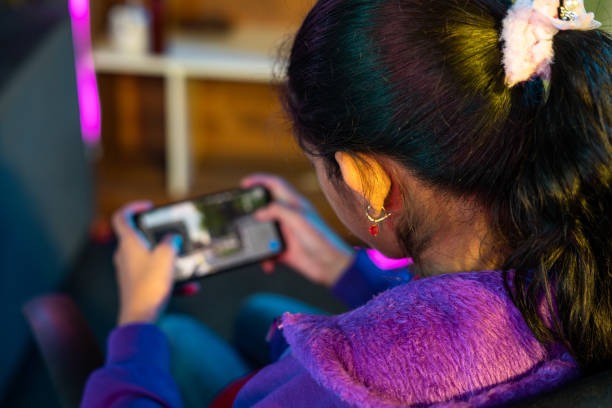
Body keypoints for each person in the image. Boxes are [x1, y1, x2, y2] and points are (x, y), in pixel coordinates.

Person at [82, 0, 611, 406]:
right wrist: (344, 269)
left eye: (317, 161)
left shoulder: (348, 382)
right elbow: (459, 320)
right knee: (257, 313)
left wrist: (135, 324)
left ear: (368, 180)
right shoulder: (578, 258)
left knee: (172, 336)